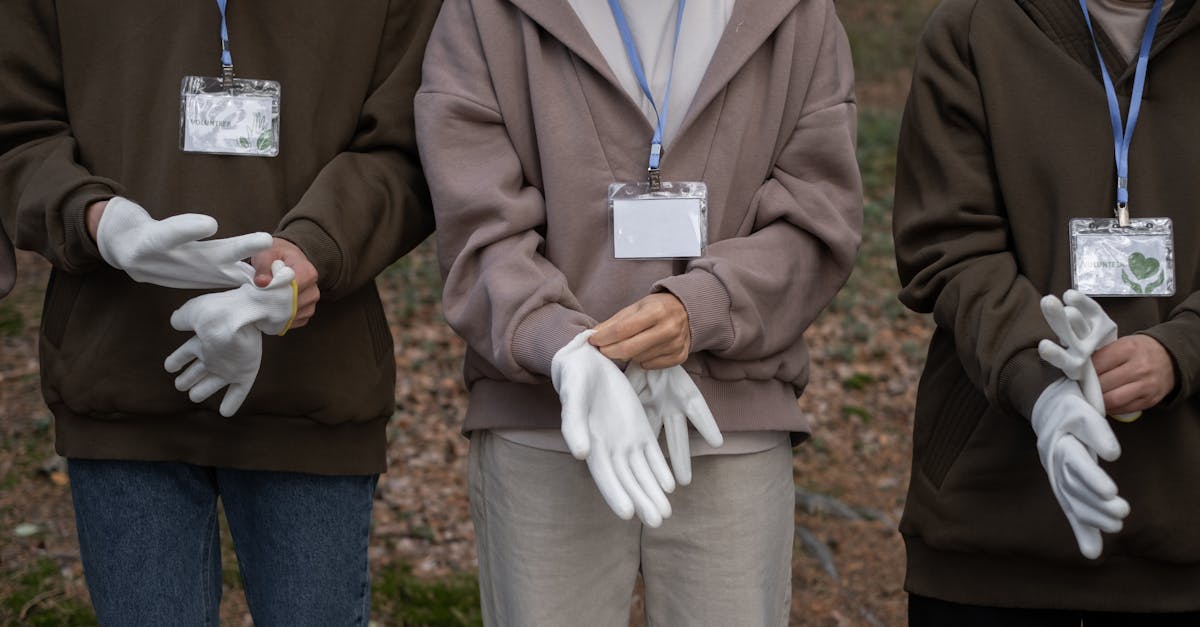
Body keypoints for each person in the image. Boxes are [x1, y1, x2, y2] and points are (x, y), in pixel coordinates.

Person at [416, 0, 862, 624]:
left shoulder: (796, 15)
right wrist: (564, 350)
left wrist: (700, 308)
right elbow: (475, 226)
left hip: (727, 425)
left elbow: (819, 218)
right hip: (548, 428)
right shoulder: (483, 14)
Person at [0, 0, 439, 623]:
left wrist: (308, 255)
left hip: (310, 388)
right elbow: (16, 129)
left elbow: (411, 140)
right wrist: (95, 219)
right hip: (119, 384)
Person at [893, 0, 1200, 623]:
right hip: (991, 540)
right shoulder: (974, 28)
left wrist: (1182, 349)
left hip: (1185, 535)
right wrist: (1043, 387)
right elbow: (950, 246)